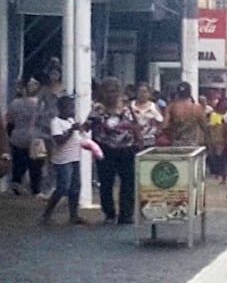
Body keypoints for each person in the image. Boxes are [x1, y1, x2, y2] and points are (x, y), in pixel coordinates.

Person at [88, 77, 142, 224]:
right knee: (106, 182)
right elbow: (89, 126)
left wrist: (139, 141)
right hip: (106, 149)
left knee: (128, 181)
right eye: (109, 91)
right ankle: (109, 213)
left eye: (115, 90)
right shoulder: (98, 108)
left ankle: (126, 214)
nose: (112, 94)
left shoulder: (127, 106)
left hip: (127, 148)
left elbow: (135, 124)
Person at [41, 95, 85, 224]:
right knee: (62, 187)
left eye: (73, 107)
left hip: (75, 157)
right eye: (69, 107)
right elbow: (59, 141)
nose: (72, 110)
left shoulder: (71, 120)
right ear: (61, 108)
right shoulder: (56, 122)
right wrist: (71, 130)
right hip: (63, 160)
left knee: (76, 187)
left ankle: (74, 215)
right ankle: (47, 213)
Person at [7, 77, 48, 197]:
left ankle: (16, 187)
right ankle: (36, 190)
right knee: (36, 165)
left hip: (18, 136)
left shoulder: (15, 103)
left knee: (18, 164)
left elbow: (10, 120)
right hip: (36, 137)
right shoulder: (41, 104)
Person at [163, 82, 207, 148]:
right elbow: (204, 126)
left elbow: (164, 126)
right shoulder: (197, 108)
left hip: (176, 143)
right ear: (190, 93)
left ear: (178, 93)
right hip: (193, 144)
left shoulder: (171, 107)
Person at [131, 82, 164, 149]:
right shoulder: (131, 105)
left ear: (149, 93)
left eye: (144, 92)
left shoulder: (154, 106)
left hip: (150, 141)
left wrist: (157, 133)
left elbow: (161, 121)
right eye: (140, 92)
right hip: (134, 141)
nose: (142, 94)